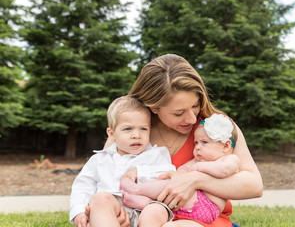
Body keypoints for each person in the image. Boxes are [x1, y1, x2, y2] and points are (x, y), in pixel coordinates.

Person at [99, 53, 263, 226]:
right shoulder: (130, 132)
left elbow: (254, 186)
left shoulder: (216, 128)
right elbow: (104, 178)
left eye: (195, 105)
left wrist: (196, 180)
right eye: (179, 113)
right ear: (154, 107)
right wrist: (117, 214)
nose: (192, 119)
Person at [69, 96, 176, 227]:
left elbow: (169, 175)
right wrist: (78, 212)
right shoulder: (99, 159)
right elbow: (82, 186)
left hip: (145, 207)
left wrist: (140, 172)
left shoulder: (156, 154)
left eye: (143, 129)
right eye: (128, 129)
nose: (136, 135)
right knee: (100, 198)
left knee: (157, 210)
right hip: (112, 209)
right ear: (112, 134)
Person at [120, 113, 241, 224]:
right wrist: (177, 175)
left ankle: (137, 189)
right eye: (196, 143)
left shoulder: (229, 159)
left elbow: (223, 170)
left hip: (207, 206)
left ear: (225, 146)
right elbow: (182, 170)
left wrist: (197, 168)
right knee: (170, 185)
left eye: (204, 142)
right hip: (184, 205)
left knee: (168, 185)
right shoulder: (197, 160)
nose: (198, 147)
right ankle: (146, 202)